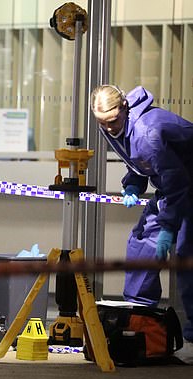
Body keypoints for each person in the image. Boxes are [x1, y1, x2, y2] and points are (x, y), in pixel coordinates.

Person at [90, 84, 193, 363]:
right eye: (102, 123)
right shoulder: (114, 124)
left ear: (124, 107)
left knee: (185, 258)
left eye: (112, 122)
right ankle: (140, 322)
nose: (109, 129)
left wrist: (168, 229)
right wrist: (133, 184)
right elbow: (136, 160)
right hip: (173, 186)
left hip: (184, 185)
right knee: (141, 246)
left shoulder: (148, 131)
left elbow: (177, 184)